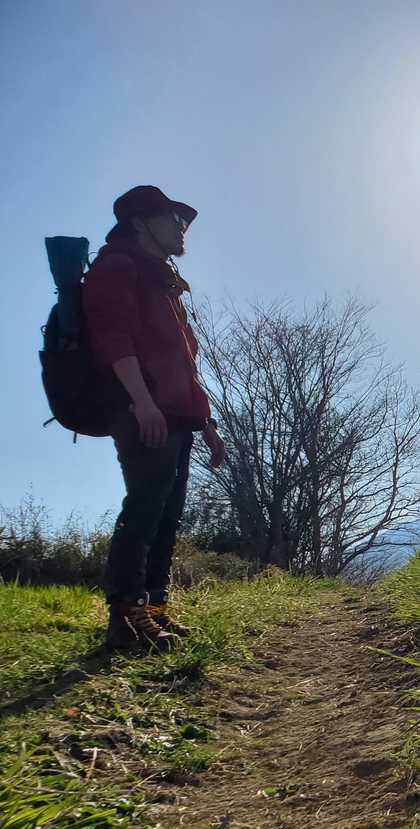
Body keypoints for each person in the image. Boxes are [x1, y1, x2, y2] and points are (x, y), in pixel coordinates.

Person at [82, 185, 226, 652]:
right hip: (142, 409)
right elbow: (112, 338)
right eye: (173, 219)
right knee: (145, 506)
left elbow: (184, 361)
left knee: (167, 513)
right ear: (141, 222)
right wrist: (142, 402)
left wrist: (207, 424)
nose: (182, 229)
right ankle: (125, 617)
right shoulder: (117, 266)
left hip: (178, 413)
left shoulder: (163, 281)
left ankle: (155, 607)